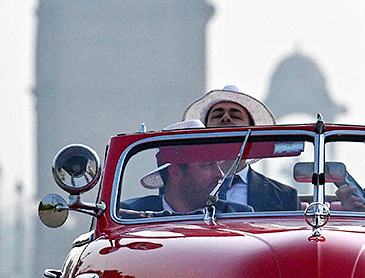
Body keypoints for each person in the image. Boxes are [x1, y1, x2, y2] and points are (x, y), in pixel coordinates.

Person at [182, 86, 300, 212]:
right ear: (204, 132)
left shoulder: (283, 197)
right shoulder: (183, 191)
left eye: (236, 116)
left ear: (253, 133)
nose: (226, 118)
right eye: (217, 115)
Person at [121, 120, 254, 216]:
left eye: (218, 164)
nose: (220, 175)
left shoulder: (238, 215)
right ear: (175, 172)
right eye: (207, 165)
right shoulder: (130, 214)